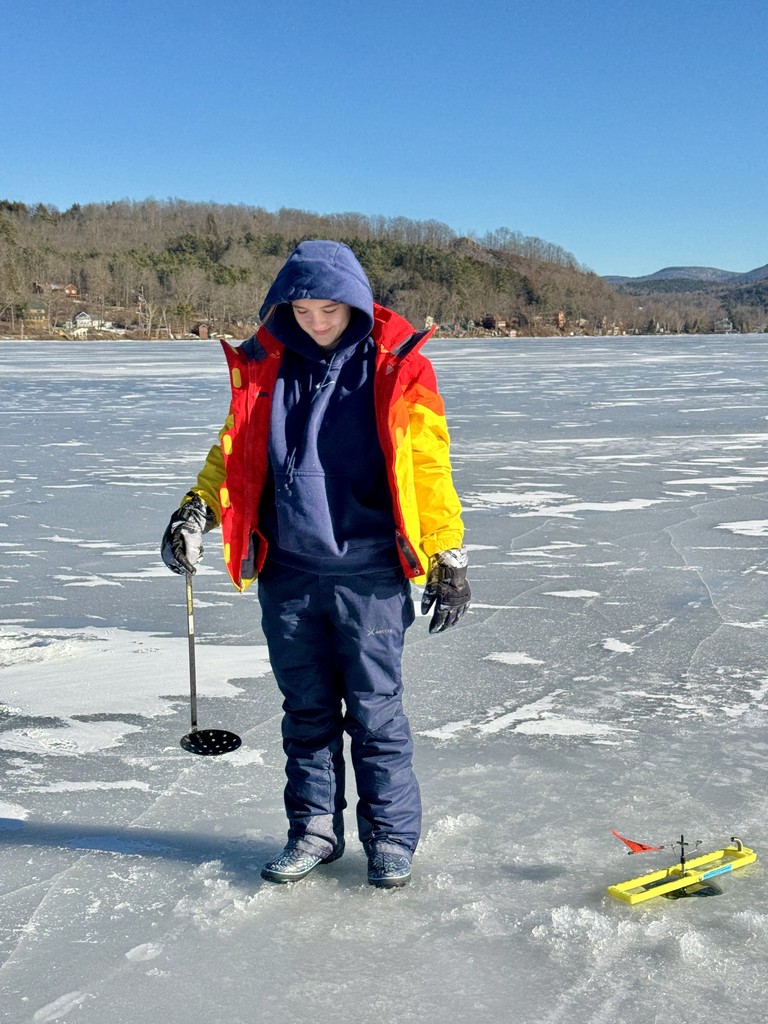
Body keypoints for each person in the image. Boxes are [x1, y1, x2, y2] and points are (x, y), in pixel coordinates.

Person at [161, 240, 470, 888]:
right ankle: (313, 832)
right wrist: (197, 508)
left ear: (354, 301)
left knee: (375, 710)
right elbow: (234, 455)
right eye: (303, 309)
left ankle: (389, 838)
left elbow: (428, 466)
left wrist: (447, 551)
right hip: (290, 570)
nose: (317, 322)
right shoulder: (267, 363)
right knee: (306, 711)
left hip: (370, 571)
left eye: (330, 308)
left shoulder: (396, 364)